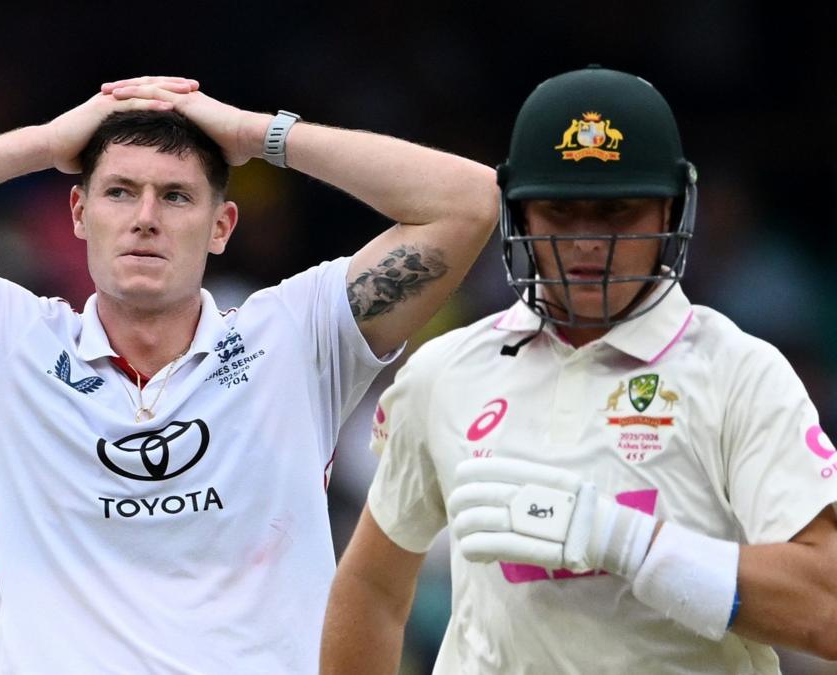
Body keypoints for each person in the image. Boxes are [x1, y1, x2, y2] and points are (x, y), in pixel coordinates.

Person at [0, 75, 498, 672]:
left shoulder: (295, 336)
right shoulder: (2, 344)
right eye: (120, 192)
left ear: (222, 226)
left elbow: (466, 202)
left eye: (178, 197)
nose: (146, 219)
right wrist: (44, 143)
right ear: (79, 210)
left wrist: (256, 135)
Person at [321, 66, 837, 674]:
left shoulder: (739, 373)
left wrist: (630, 543)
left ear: (672, 209)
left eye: (618, 211)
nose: (589, 240)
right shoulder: (446, 371)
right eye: (561, 212)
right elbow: (373, 592)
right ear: (521, 215)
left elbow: (826, 609)